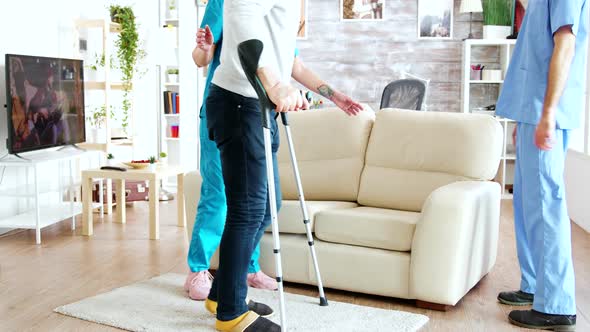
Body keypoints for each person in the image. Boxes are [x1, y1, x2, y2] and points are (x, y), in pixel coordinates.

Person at [186, 0, 362, 319]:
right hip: (238, 101)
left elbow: (288, 59)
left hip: (261, 107)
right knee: (239, 204)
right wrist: (274, 83)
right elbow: (238, 25)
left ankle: (222, 291)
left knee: (268, 205)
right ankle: (230, 311)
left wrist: (333, 95)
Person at [495, 1, 588, 330]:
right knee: (527, 203)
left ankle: (557, 304)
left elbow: (565, 44)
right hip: (532, 111)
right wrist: (527, 115)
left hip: (546, 112)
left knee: (547, 204)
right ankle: (534, 284)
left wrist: (547, 112)